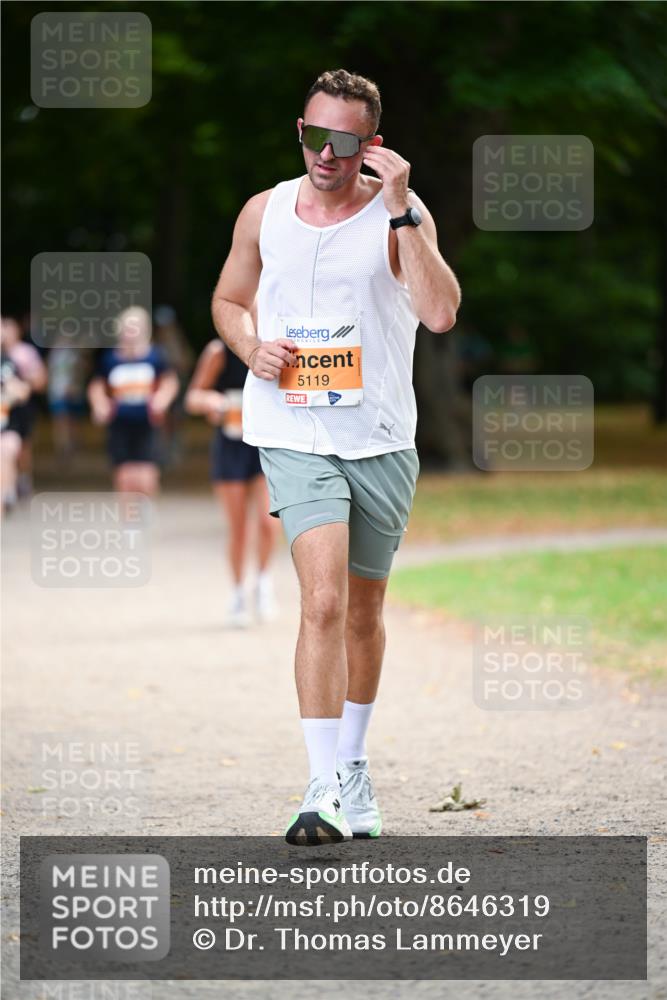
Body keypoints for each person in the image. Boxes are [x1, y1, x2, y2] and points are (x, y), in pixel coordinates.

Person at [211, 69, 460, 845]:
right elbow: (227, 300)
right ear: (300, 131)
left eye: (344, 141)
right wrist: (251, 346)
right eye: (313, 135)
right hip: (292, 431)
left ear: (372, 145)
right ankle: (319, 787)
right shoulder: (265, 211)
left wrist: (400, 216)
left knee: (362, 612)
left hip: (379, 438)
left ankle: (352, 765)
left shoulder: (402, 216)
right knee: (319, 602)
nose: (326, 152)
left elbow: (441, 313)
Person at [185, 338, 281, 627]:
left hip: (266, 444)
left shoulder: (276, 341)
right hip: (231, 443)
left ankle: (263, 581)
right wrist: (210, 401)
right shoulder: (219, 350)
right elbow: (192, 397)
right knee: (238, 528)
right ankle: (238, 591)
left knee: (268, 522)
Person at [87, 306, 179, 495]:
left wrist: (162, 399)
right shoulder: (109, 359)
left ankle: (145, 514)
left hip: (148, 422)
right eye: (127, 327)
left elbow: (170, 381)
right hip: (119, 423)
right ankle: (129, 522)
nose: (131, 333)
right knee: (124, 474)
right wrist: (99, 405)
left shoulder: (156, 356)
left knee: (147, 475)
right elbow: (96, 386)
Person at [1, 316, 48, 498]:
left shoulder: (24, 352)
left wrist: (21, 385)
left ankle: (19, 482)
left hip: (18, 408)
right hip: (7, 405)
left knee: (20, 444)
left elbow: (38, 380)